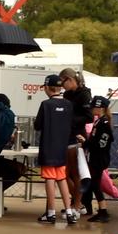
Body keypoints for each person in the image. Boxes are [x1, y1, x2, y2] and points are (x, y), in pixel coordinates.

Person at [34, 74, 78, 225]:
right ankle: (70, 211)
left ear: (47, 88)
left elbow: (37, 125)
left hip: (48, 147)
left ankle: (51, 212)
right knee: (62, 178)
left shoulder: (46, 104)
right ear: (60, 88)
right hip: (62, 147)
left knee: (50, 179)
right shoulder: (68, 104)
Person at [58, 68, 93, 211]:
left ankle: (78, 203)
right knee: (64, 173)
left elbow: (89, 117)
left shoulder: (84, 94)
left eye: (63, 82)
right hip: (66, 135)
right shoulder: (67, 94)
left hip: (78, 136)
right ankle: (75, 200)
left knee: (75, 173)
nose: (62, 86)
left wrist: (71, 120)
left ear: (70, 79)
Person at [81, 95, 114, 223]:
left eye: (94, 107)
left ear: (100, 108)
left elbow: (101, 143)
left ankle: (103, 211)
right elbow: (94, 140)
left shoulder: (104, 123)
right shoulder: (98, 121)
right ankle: (102, 210)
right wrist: (86, 142)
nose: (92, 109)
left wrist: (87, 143)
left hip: (99, 158)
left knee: (95, 183)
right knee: (94, 183)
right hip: (95, 157)